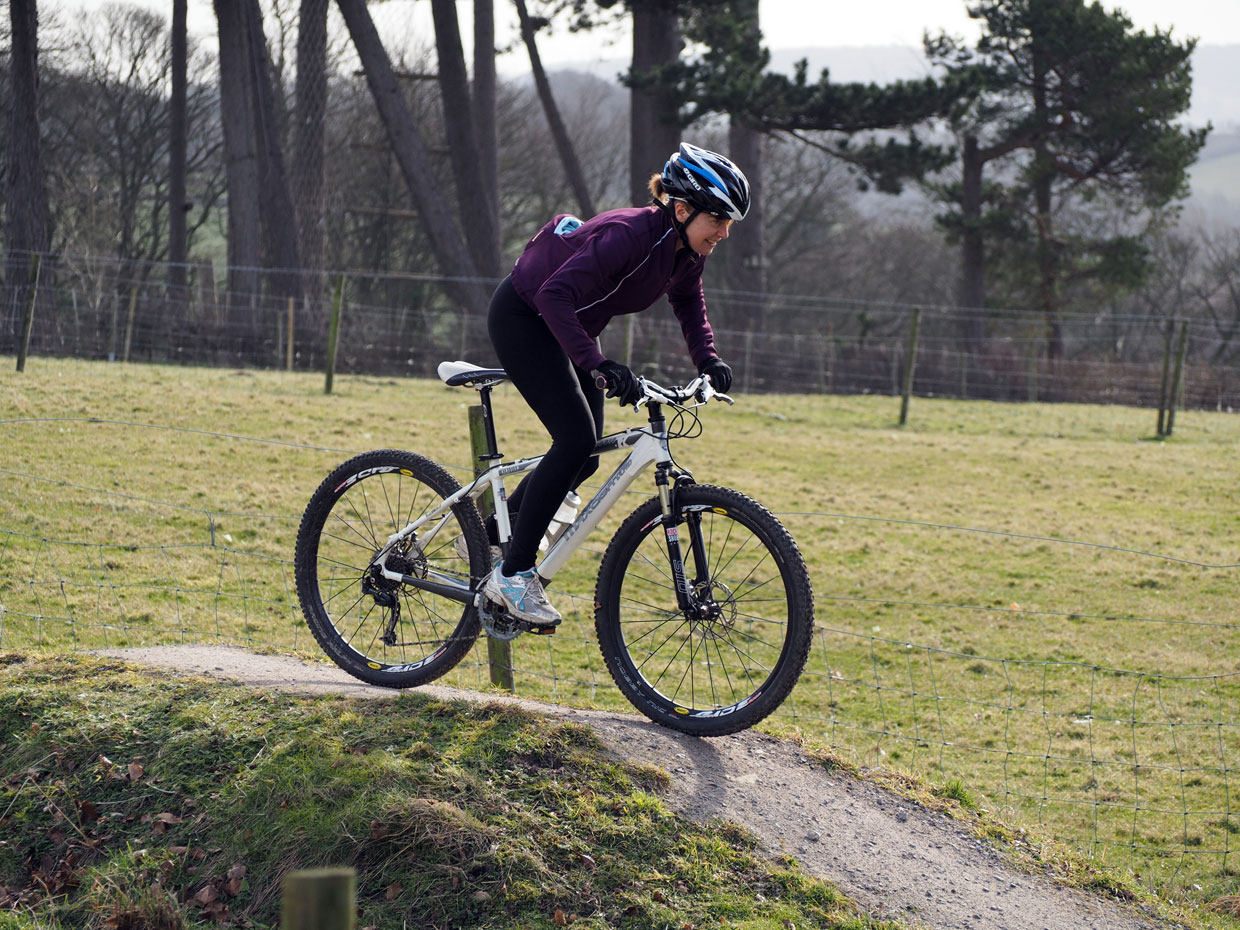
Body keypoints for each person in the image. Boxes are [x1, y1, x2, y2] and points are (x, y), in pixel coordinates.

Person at [481, 142, 751, 626]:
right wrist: (599, 363)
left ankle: (487, 534)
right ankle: (512, 575)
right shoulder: (631, 236)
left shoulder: (687, 251)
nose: (725, 233)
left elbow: (689, 306)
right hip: (526, 316)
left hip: (571, 328)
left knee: (585, 455)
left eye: (730, 223)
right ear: (683, 209)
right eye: (719, 219)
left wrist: (708, 360)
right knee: (575, 439)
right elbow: (553, 295)